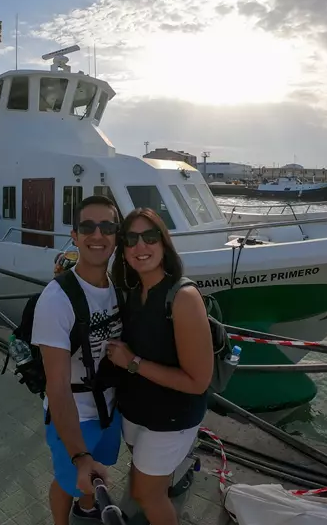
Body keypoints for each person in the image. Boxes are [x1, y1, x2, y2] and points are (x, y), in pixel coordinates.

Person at [108, 207, 214, 525]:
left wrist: (133, 363)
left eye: (150, 237)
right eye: (131, 239)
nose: (141, 246)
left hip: (170, 418)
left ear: (163, 243)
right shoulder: (130, 292)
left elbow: (198, 381)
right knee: (145, 479)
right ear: (123, 251)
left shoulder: (182, 297)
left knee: (147, 494)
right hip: (135, 410)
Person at [31, 195, 125, 525]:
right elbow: (56, 387)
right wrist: (78, 452)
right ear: (74, 236)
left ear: (117, 235)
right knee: (69, 481)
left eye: (107, 227)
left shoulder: (118, 288)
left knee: (95, 475)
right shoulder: (57, 299)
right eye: (88, 227)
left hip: (109, 410)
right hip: (74, 417)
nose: (97, 235)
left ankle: (87, 510)